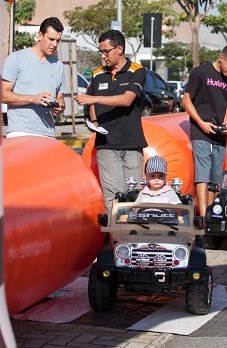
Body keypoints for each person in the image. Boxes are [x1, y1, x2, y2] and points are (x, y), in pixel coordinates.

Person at [76, 29, 148, 214]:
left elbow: (126, 100)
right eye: (100, 52)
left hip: (132, 143)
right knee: (112, 196)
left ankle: (131, 236)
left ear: (120, 49)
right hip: (106, 144)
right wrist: (94, 119)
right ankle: (116, 239)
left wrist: (93, 100)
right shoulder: (97, 74)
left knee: (132, 195)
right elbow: (91, 99)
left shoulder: (137, 71)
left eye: (106, 51)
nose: (103, 56)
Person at [181, 44, 227, 217]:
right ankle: (202, 217)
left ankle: (210, 215)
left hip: (219, 131)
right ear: (220, 57)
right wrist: (201, 123)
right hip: (200, 128)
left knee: (216, 177)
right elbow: (186, 101)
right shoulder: (200, 73)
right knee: (202, 174)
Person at [1, 17, 66, 138]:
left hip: (48, 134)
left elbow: (60, 99)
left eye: (58, 40)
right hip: (20, 132)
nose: (55, 44)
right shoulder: (16, 59)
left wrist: (59, 107)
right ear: (40, 35)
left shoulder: (59, 66)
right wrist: (33, 99)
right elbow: (3, 94)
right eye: (51, 39)